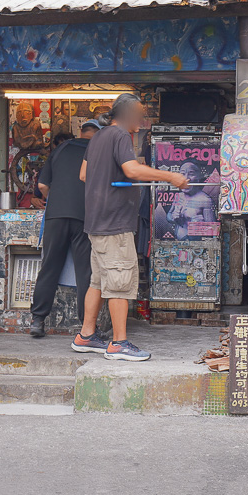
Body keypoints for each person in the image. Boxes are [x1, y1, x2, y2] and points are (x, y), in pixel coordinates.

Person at [75, 94, 188, 361]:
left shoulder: (99, 137)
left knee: (99, 281)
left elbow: (84, 175)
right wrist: (169, 176)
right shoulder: (120, 136)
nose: (141, 120)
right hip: (114, 224)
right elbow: (132, 171)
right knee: (119, 283)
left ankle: (86, 336)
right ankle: (118, 343)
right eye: (139, 114)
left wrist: (113, 175)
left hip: (96, 221)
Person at [29, 120, 102, 337]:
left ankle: (37, 320)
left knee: (50, 266)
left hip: (56, 215)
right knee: (85, 273)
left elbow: (42, 185)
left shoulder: (61, 149)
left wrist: (58, 197)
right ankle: (87, 327)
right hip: (83, 216)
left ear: (80, 132)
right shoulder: (97, 150)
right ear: (97, 135)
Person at [166, 159, 216, 239]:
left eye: (191, 174)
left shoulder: (205, 200)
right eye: (182, 174)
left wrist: (199, 226)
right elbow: (169, 215)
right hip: (177, 244)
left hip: (197, 247)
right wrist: (173, 218)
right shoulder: (179, 196)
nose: (186, 178)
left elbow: (213, 231)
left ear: (199, 177)